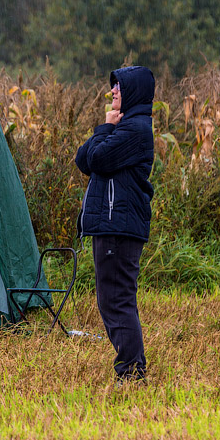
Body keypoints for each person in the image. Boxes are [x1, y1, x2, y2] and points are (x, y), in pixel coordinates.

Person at [75, 66, 155, 382]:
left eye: (118, 87)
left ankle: (132, 372)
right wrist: (105, 128)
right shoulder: (125, 126)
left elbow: (98, 160)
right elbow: (83, 160)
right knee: (113, 299)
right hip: (112, 224)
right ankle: (131, 368)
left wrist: (106, 129)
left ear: (133, 91)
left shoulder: (135, 130)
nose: (113, 93)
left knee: (117, 300)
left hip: (118, 226)